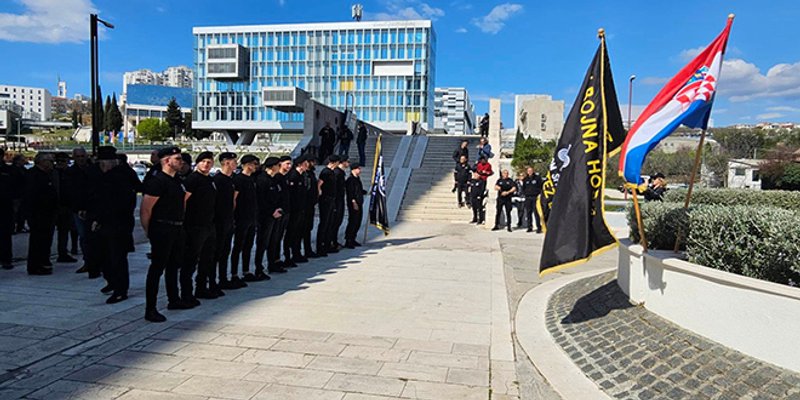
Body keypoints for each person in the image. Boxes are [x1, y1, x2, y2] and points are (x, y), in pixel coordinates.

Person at [140, 146, 187, 322]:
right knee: (156, 269)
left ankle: (174, 299)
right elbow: (146, 210)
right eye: (178, 159)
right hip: (162, 228)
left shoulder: (177, 181)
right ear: (167, 161)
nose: (181, 162)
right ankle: (150, 309)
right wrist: (149, 232)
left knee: (174, 266)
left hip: (177, 228)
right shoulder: (157, 181)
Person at [86, 147, 131, 304]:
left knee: (117, 257)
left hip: (117, 223)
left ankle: (120, 290)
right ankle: (112, 282)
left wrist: (98, 219)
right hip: (106, 222)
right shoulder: (102, 176)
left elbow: (113, 203)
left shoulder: (119, 177)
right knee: (105, 255)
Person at [182, 151, 219, 303]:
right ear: (197, 163)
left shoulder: (210, 180)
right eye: (203, 161)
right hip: (195, 225)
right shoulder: (193, 179)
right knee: (190, 260)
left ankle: (201, 287)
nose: (206, 164)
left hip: (209, 225)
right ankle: (186, 292)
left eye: (209, 162)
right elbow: (183, 201)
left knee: (207, 258)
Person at [25, 153, 58, 275]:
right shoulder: (33, 175)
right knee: (37, 240)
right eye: (49, 160)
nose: (51, 163)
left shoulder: (47, 175)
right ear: (41, 162)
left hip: (48, 212)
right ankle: (36, 265)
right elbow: (32, 195)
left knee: (45, 240)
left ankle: (43, 261)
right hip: (38, 213)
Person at [230, 154, 259, 289]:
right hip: (241, 217)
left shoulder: (252, 179)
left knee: (248, 245)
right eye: (254, 163)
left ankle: (246, 271)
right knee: (238, 246)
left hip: (251, 217)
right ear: (247, 164)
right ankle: (234, 274)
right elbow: (234, 199)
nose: (256, 166)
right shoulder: (238, 179)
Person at [255, 157, 286, 275]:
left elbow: (278, 196)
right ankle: (259, 268)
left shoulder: (274, 179)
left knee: (273, 241)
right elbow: (261, 200)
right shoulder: (262, 180)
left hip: (275, 215)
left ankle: (272, 264)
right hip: (265, 216)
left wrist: (279, 209)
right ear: (273, 166)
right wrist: (271, 211)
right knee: (263, 242)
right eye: (278, 165)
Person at [213, 152, 237, 294]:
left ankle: (223, 278)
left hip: (228, 220)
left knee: (225, 252)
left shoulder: (230, 180)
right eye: (233, 161)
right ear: (227, 162)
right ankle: (212, 280)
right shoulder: (218, 180)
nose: (235, 164)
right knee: (217, 252)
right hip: (219, 221)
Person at [66, 147, 92, 274]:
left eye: (82, 156)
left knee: (94, 237)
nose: (81, 159)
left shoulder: (93, 170)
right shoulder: (70, 172)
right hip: (77, 209)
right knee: (83, 236)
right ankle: (88, 261)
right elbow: (70, 192)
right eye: (78, 157)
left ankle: (96, 262)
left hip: (92, 208)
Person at [0, 148, 24, 270]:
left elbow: (18, 188)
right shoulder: (10, 170)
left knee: (5, 234)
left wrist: (16, 204)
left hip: (6, 205)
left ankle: (6, 259)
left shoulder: (10, 170)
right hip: (7, 205)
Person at [285, 155, 310, 265]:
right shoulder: (293, 176)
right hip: (294, 210)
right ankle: (288, 256)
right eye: (305, 163)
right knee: (291, 233)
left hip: (302, 208)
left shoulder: (302, 175)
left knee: (299, 232)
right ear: (299, 164)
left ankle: (297, 253)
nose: (307, 165)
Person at [54, 152, 78, 263]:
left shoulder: (71, 173)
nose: (60, 163)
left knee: (69, 229)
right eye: (58, 161)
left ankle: (67, 250)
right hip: (57, 206)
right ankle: (62, 252)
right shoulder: (53, 173)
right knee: (62, 231)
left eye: (63, 161)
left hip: (67, 205)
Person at [273, 156, 293, 268]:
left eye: (290, 164)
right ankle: (275, 259)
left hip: (286, 211)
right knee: (276, 237)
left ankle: (282, 257)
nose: (289, 166)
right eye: (287, 164)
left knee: (281, 236)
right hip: (279, 212)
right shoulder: (277, 177)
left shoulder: (286, 177)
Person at [316, 155, 339, 256]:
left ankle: (327, 244)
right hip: (325, 199)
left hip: (332, 199)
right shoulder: (325, 172)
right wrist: (319, 193)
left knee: (330, 222)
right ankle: (320, 246)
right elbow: (319, 184)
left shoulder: (332, 172)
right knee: (324, 223)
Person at [344, 163, 366, 249]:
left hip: (359, 202)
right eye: (358, 168)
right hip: (354, 203)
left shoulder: (357, 179)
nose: (360, 170)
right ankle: (348, 239)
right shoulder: (350, 180)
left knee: (358, 221)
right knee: (353, 221)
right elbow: (350, 193)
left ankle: (353, 238)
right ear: (353, 169)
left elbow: (358, 190)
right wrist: (354, 203)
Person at [330, 156, 348, 252]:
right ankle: (332, 242)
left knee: (338, 221)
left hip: (340, 199)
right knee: (334, 222)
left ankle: (334, 241)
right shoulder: (337, 173)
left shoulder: (340, 173)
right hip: (336, 200)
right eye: (347, 161)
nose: (348, 164)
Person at [302, 157, 319, 259]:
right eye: (311, 162)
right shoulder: (304, 175)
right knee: (303, 229)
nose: (313, 164)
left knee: (308, 228)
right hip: (305, 205)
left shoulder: (311, 174)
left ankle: (308, 250)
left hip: (311, 205)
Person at [521, 167, 544, 233]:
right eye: (528, 171)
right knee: (528, 213)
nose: (530, 172)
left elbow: (541, 187)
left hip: (535, 197)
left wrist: (539, 194)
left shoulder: (537, 178)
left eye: (531, 170)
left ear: (533, 171)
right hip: (528, 198)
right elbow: (523, 188)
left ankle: (539, 227)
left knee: (536, 213)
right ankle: (529, 227)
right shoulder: (525, 179)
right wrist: (525, 194)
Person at [12, 154, 28, 234]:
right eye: (22, 160)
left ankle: (20, 226)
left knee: (21, 211)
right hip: (16, 193)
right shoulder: (14, 170)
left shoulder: (23, 169)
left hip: (22, 193)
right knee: (15, 212)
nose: (24, 161)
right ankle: (14, 227)